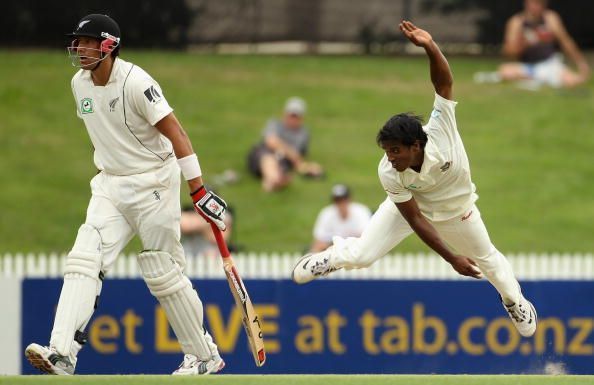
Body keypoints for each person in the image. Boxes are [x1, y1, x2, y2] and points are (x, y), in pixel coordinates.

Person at [293, 21, 538, 338]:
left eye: (395, 150)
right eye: (386, 151)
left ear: (416, 145)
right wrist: (451, 258)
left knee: (488, 261)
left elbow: (444, 83)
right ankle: (329, 258)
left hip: (457, 210)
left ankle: (516, 302)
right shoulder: (388, 171)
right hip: (412, 207)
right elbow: (416, 219)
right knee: (363, 256)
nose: (390, 157)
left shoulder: (440, 130)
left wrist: (430, 46)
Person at [25, 14, 228, 376]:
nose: (80, 49)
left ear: (108, 45)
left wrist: (196, 189)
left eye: (88, 42)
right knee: (84, 257)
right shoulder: (79, 83)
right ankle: (61, 353)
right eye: (78, 42)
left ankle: (203, 356)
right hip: (110, 183)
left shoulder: (136, 82)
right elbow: (102, 130)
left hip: (154, 182)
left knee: (161, 270)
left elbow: (177, 133)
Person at [475, 0, 590, 88]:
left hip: (550, 64)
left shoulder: (550, 18)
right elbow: (508, 52)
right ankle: (538, 79)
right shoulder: (517, 22)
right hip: (528, 67)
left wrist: (580, 63)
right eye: (533, 2)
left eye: (538, 3)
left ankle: (537, 80)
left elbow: (566, 41)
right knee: (505, 70)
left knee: (573, 81)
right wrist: (526, 43)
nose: (535, 6)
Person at [247, 97, 323, 192]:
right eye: (291, 115)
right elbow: (271, 141)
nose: (293, 119)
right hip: (263, 154)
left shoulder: (304, 133)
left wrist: (309, 168)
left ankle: (276, 181)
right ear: (285, 114)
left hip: (283, 161)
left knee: (280, 165)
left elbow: (300, 158)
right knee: (269, 159)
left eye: (296, 116)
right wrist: (292, 154)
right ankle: (273, 181)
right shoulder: (274, 123)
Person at [310, 184, 372, 252]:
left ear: (350, 199)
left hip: (355, 251)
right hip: (332, 251)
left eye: (343, 200)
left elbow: (367, 239)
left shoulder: (361, 211)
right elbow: (319, 240)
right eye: (338, 200)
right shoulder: (326, 213)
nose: (341, 203)